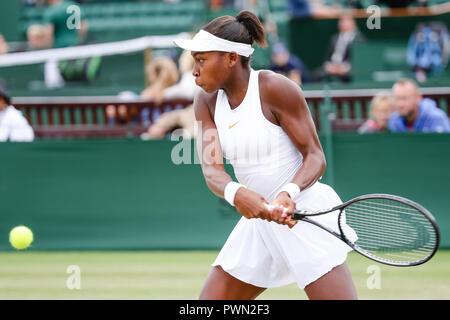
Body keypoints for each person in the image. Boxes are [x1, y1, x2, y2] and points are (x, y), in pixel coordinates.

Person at [174, 10, 358, 300]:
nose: (194, 71)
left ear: (231, 58)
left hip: (304, 213)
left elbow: (315, 157)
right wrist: (237, 194)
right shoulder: (205, 100)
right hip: (259, 226)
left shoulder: (276, 88)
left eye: (201, 60)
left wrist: (288, 193)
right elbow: (212, 170)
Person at [319, 14, 363, 83]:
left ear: (353, 24)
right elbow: (327, 57)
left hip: (347, 70)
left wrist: (342, 68)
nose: (343, 24)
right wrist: (329, 66)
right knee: (317, 74)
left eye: (346, 22)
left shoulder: (359, 39)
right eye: (341, 22)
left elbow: (357, 61)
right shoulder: (334, 38)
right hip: (332, 67)